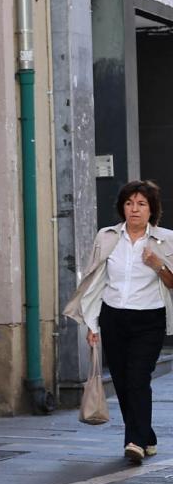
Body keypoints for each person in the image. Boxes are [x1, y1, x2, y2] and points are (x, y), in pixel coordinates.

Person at [66, 180, 173, 463]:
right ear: (122, 208)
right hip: (113, 317)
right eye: (129, 203)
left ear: (151, 210)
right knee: (123, 381)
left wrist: (158, 265)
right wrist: (92, 325)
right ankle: (146, 435)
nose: (134, 209)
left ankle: (134, 442)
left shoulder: (165, 239)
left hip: (149, 319)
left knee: (138, 378)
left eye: (141, 204)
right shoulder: (107, 237)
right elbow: (95, 282)